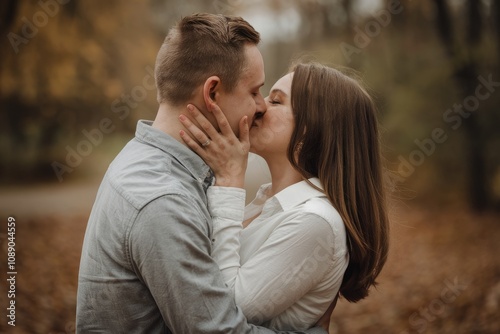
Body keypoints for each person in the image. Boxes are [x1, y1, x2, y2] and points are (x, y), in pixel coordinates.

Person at [76, 13, 328, 334]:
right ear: (212, 94)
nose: (261, 107)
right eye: (253, 92)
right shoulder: (163, 199)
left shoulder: (146, 159)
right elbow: (220, 330)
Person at [179, 62, 390, 330]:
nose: (259, 106)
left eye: (276, 101)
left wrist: (230, 183)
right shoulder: (269, 203)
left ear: (309, 131)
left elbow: (223, 317)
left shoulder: (315, 222)